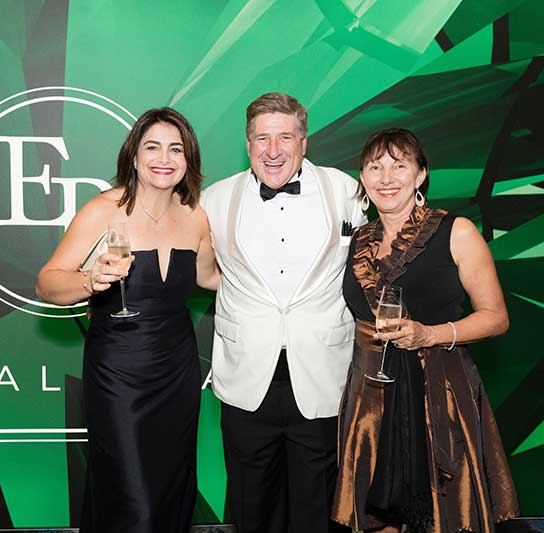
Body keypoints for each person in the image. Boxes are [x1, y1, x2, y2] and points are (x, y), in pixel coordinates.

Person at [36, 107, 219, 532]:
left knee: (172, 489)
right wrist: (90, 280)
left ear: (188, 160)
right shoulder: (103, 210)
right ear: (133, 156)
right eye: (152, 147)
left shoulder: (194, 215)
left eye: (176, 149)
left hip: (177, 372)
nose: (164, 158)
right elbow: (47, 283)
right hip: (118, 374)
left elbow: (210, 277)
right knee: (132, 498)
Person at [331, 128, 519, 532]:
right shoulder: (358, 240)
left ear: (420, 175)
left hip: (439, 395)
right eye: (375, 167)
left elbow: (496, 317)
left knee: (443, 514)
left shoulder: (456, 231)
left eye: (399, 166)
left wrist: (429, 334)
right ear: (362, 178)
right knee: (374, 517)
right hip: (371, 400)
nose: (386, 178)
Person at [201, 92, 365, 532]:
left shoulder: (346, 191)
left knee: (319, 506)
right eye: (262, 138)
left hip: (323, 374)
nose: (273, 150)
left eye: (285, 137)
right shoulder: (214, 199)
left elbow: (378, 260)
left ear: (304, 142)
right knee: (251, 504)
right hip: (246, 377)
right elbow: (201, 272)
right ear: (248, 144)